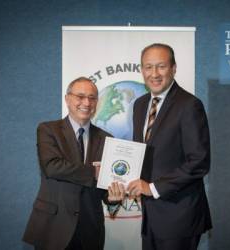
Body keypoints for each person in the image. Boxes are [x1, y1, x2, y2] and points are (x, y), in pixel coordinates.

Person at [23, 77, 125, 250]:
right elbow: (52, 167)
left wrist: (113, 199)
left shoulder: (107, 139)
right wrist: (93, 172)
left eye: (92, 98)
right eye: (80, 96)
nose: (86, 102)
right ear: (67, 99)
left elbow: (105, 187)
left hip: (90, 229)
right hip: (53, 226)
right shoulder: (48, 130)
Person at [127, 44, 212, 250]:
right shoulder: (139, 105)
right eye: (148, 67)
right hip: (151, 215)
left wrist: (152, 188)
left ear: (173, 68)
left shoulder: (189, 105)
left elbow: (199, 162)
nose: (154, 74)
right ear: (142, 70)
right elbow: (143, 154)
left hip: (179, 216)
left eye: (161, 66)